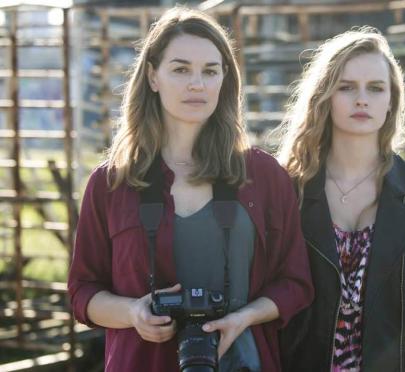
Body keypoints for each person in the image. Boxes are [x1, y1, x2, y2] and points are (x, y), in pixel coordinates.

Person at [67, 7, 313, 372]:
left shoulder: (263, 176)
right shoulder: (111, 183)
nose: (196, 84)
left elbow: (295, 283)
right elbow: (82, 293)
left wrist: (244, 317)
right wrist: (135, 313)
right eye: (181, 69)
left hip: (242, 362)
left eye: (209, 71)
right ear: (152, 76)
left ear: (224, 79)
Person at [274, 26, 405, 371]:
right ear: (325, 97)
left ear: (391, 101)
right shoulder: (290, 187)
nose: (361, 99)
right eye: (346, 87)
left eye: (375, 88)